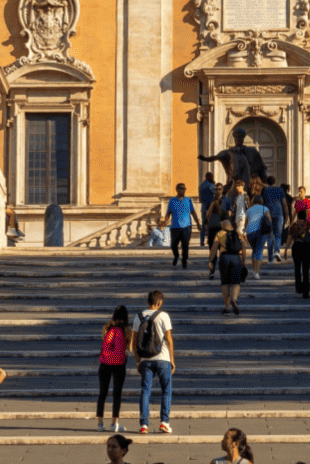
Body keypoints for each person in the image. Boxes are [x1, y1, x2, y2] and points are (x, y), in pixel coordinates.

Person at [135, 289, 175, 434]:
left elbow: (134, 343)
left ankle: (143, 424)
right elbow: (169, 340)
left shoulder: (138, 317)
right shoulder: (164, 315)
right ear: (159, 303)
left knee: (145, 391)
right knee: (166, 390)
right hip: (162, 358)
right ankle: (164, 422)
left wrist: (138, 362)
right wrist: (172, 360)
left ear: (147, 302)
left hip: (145, 359)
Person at [98, 305, 131, 433]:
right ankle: (114, 424)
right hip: (119, 364)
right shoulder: (127, 329)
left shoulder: (106, 327)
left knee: (102, 393)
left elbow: (104, 343)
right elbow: (129, 349)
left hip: (105, 363)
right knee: (117, 393)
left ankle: (100, 424)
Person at [213, 218, 248, 314]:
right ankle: (234, 299)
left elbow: (214, 248)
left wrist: (211, 261)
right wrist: (244, 261)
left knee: (225, 283)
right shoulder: (237, 234)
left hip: (224, 258)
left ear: (223, 226)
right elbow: (243, 248)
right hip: (236, 259)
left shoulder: (219, 234)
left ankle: (227, 307)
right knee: (236, 282)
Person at [165, 183, 196, 268]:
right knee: (173, 245)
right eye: (182, 188)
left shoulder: (188, 200)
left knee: (185, 245)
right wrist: (165, 221)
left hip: (186, 226)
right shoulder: (172, 201)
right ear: (177, 189)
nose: (183, 190)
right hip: (175, 226)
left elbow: (193, 212)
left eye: (184, 189)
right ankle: (176, 256)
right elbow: (168, 213)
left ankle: (184, 260)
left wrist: (198, 224)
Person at [288, 212, 310, 299]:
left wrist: (286, 249)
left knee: (297, 269)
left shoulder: (294, 225)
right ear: (305, 217)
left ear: (297, 216)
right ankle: (306, 291)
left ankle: (298, 287)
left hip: (296, 247)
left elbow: (289, 237)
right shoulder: (309, 225)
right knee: (306, 270)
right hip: (307, 248)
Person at [243, 185, 272, 276]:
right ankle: (257, 272)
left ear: (253, 201)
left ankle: (253, 270)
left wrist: (244, 232)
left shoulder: (249, 210)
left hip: (250, 232)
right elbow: (269, 220)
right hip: (261, 232)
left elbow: (245, 223)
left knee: (254, 251)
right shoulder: (265, 208)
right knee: (259, 251)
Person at [261, 175, 289, 262]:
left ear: (267, 182)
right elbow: (284, 203)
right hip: (279, 213)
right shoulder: (280, 190)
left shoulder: (264, 190)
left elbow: (262, 202)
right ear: (274, 181)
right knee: (278, 235)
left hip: (268, 213)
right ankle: (277, 251)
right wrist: (287, 215)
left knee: (270, 235)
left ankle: (270, 258)